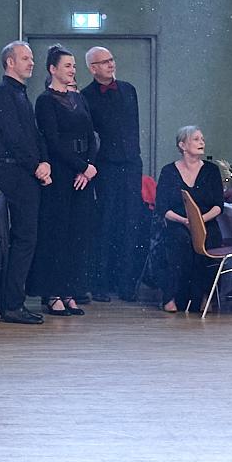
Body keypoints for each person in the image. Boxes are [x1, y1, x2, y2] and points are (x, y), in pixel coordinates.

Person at [28, 46, 97, 316]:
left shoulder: (79, 98)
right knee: (56, 233)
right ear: (52, 69)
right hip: (61, 173)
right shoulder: (45, 101)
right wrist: (82, 167)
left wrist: (89, 167)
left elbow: (91, 135)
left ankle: (70, 290)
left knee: (77, 234)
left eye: (74, 66)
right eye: (67, 65)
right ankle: (52, 292)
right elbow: (53, 142)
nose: (72, 70)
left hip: (83, 174)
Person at [0, 41, 50, 325]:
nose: (32, 62)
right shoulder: (3, 93)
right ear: (10, 62)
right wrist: (37, 166)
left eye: (32, 58)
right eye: (25, 58)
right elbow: (12, 137)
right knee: (24, 238)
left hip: (26, 170)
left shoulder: (20, 93)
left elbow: (34, 135)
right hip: (17, 171)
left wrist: (45, 162)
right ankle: (12, 304)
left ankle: (14, 301)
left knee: (27, 237)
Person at [80, 46, 146, 302]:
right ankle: (100, 284)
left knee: (130, 222)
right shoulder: (86, 96)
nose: (111, 64)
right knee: (105, 223)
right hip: (106, 167)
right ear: (92, 68)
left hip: (131, 165)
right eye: (104, 61)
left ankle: (126, 284)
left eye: (111, 59)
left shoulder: (129, 90)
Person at [154, 126, 225, 314]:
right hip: (179, 222)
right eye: (196, 139)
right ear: (182, 145)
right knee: (179, 241)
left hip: (206, 222)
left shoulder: (211, 170)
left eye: (202, 139)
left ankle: (205, 297)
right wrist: (185, 221)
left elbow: (218, 205)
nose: (202, 142)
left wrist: (199, 221)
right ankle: (170, 297)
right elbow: (163, 208)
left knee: (209, 240)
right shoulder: (169, 171)